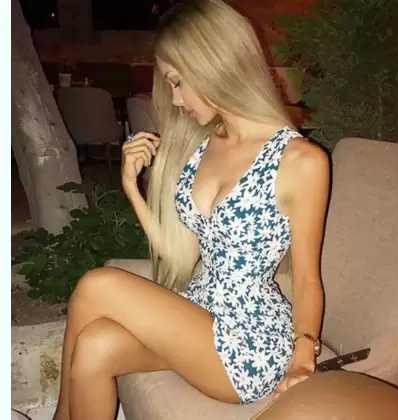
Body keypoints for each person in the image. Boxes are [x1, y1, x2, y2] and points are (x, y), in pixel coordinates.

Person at [53, 0, 329, 419]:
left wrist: (303, 356)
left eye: (178, 82)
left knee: (97, 284)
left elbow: (307, 278)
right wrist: (131, 186)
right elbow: (179, 253)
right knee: (95, 346)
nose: (175, 98)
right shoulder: (204, 145)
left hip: (249, 340)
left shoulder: (300, 160)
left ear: (213, 65)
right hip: (199, 311)